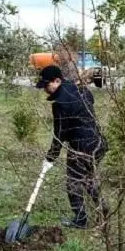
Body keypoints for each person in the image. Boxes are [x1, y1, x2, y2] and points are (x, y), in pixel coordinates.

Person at [35, 65, 107, 229]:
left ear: (57, 81)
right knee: (87, 177)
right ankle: (102, 207)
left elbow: (59, 135)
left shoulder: (59, 104)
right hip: (98, 143)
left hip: (81, 147)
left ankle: (80, 220)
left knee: (73, 181)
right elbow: (90, 101)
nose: (45, 89)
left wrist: (50, 158)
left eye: (47, 85)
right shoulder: (82, 90)